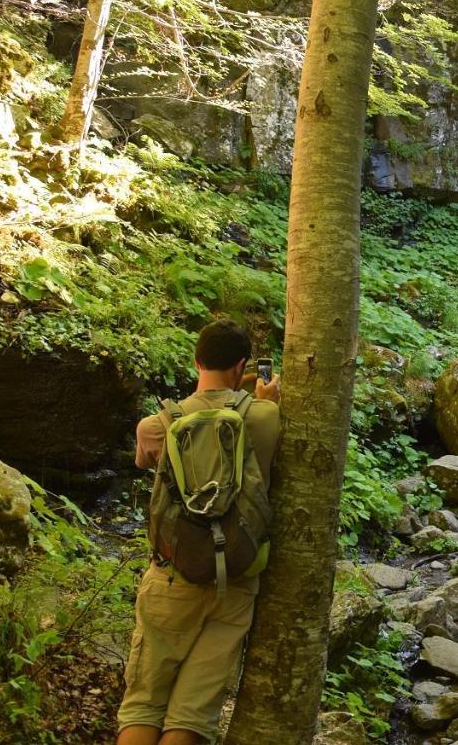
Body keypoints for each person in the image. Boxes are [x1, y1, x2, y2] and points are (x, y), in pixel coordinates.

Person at [117, 319, 280, 745]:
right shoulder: (264, 417)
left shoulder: (156, 425)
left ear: (196, 360)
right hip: (235, 581)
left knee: (144, 702)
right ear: (243, 365)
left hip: (173, 574)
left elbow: (145, 464)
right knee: (192, 714)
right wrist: (260, 397)